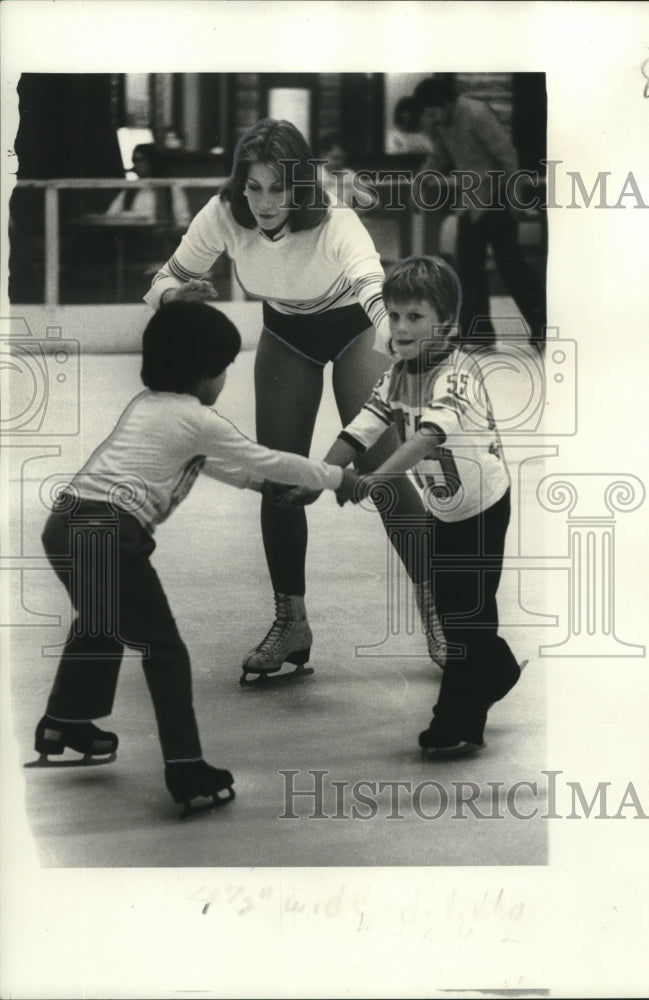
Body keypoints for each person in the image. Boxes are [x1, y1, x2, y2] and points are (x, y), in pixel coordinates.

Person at [143, 118, 446, 682]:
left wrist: (401, 344)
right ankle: (292, 622)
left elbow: (372, 291)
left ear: (300, 186)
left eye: (277, 188)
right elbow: (162, 279)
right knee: (280, 478)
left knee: (381, 468)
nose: (262, 203)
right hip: (286, 336)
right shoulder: (222, 215)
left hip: (356, 330)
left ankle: (442, 612)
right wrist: (172, 296)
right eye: (252, 187)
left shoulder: (337, 221)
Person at [31, 301, 359, 817]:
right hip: (110, 534)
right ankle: (186, 768)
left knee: (100, 622)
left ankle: (65, 723)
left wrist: (261, 490)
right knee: (164, 650)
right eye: (224, 368)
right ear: (204, 372)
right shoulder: (196, 418)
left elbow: (215, 467)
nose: (226, 378)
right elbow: (265, 457)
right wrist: (340, 477)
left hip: (66, 524)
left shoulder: (149, 406)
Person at [291, 256, 523, 756]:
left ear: (447, 326)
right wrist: (324, 475)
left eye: (415, 317)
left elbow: (427, 437)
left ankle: (457, 722)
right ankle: (498, 670)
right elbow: (363, 426)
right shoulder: (397, 374)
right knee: (459, 608)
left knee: (467, 617)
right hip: (445, 510)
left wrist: (376, 478)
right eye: (394, 316)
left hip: (484, 508)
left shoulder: (456, 375)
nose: (400, 327)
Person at [413, 76, 544, 345]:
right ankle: (478, 332)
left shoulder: (476, 113)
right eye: (428, 114)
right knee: (468, 266)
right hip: (472, 201)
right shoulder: (443, 123)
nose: (433, 118)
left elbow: (507, 155)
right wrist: (421, 179)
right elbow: (440, 156)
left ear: (447, 103)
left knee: (511, 266)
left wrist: (516, 199)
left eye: (435, 111)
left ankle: (544, 325)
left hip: (497, 198)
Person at [105, 143, 190, 228]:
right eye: (134, 160)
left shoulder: (170, 189)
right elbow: (110, 216)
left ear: (151, 161)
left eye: (140, 160)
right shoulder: (130, 191)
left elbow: (183, 220)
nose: (136, 164)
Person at [316, 132, 356, 207]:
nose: (339, 163)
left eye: (342, 159)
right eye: (335, 158)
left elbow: (373, 202)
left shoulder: (349, 174)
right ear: (323, 155)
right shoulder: (313, 174)